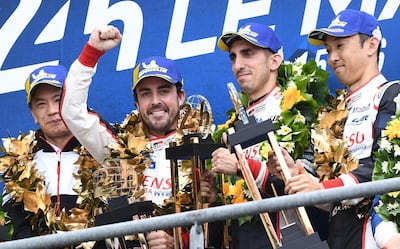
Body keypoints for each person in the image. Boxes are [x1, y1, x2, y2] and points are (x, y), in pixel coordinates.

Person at [60, 25, 218, 249]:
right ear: (136, 103)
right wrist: (91, 52)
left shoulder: (205, 145)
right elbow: (72, 112)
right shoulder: (117, 148)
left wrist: (178, 242)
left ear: (181, 96)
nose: (155, 101)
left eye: (163, 90)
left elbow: (223, 227)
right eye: (146, 93)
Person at [268, 9, 400, 249]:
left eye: (340, 46)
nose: (333, 57)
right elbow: (332, 199)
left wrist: (320, 188)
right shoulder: (330, 113)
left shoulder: (391, 94)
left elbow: (383, 170)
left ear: (371, 45)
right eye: (329, 50)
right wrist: (296, 176)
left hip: (380, 234)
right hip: (338, 234)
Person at [210, 22, 327, 249]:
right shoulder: (230, 128)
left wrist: (241, 167)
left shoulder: (303, 111)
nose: (238, 64)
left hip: (298, 238)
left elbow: (308, 182)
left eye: (247, 54)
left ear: (275, 61)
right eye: (233, 57)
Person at [1, 65, 81, 239]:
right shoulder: (19, 165)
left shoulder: (101, 151)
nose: (52, 110)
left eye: (58, 100)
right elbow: (13, 227)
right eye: (41, 104)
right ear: (33, 114)